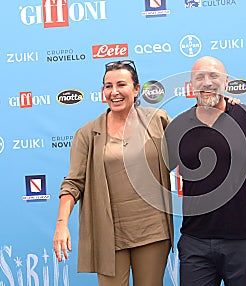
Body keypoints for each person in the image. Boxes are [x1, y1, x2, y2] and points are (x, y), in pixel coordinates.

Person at [52, 60, 174, 286]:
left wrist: (224, 106)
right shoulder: (87, 133)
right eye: (108, 86)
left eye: (121, 84)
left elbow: (191, 145)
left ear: (136, 89)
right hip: (108, 235)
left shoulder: (158, 120)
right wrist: (61, 223)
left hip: (153, 231)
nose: (114, 92)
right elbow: (73, 184)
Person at [164, 56, 246, 286]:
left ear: (226, 81)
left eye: (214, 76)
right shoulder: (177, 127)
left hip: (242, 242)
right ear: (190, 84)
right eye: (199, 77)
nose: (207, 82)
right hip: (195, 242)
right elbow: (158, 170)